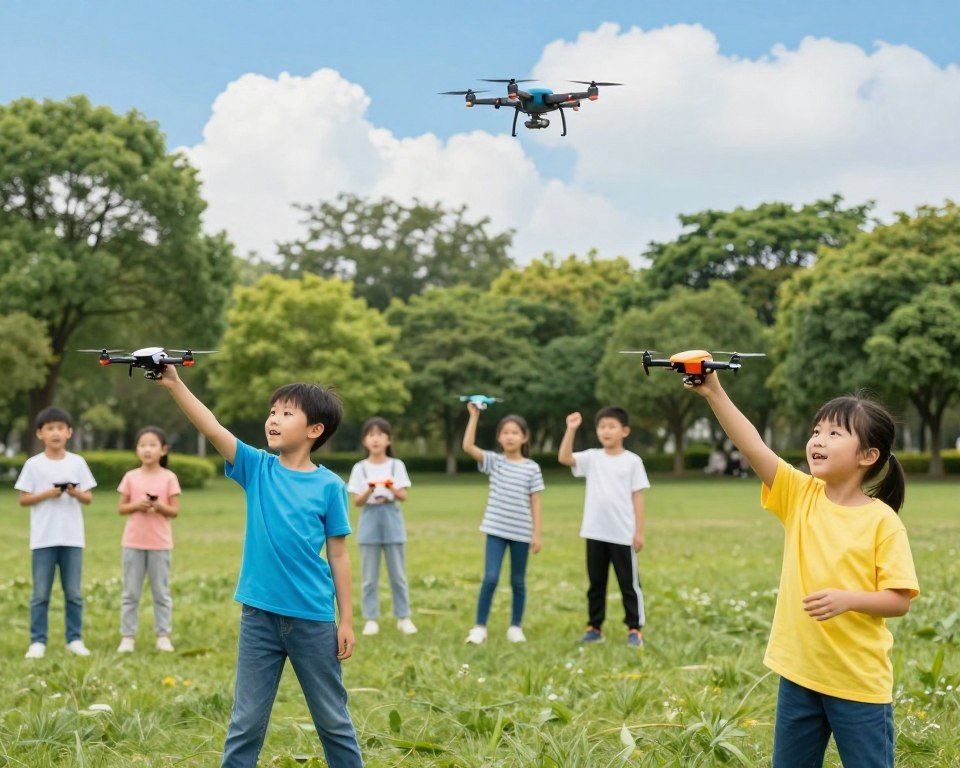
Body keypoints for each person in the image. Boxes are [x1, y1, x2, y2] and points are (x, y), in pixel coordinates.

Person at [685, 371, 919, 768]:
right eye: (816, 431)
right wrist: (714, 391)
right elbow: (752, 444)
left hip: (857, 682)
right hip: (798, 673)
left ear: (868, 456)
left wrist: (849, 600)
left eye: (834, 434)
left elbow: (898, 601)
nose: (817, 441)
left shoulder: (882, 522)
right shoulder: (800, 495)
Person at [155, 365, 363, 768]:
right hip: (259, 618)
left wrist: (348, 619)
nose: (273, 419)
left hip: (313, 621)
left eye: (286, 413)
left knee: (332, 720)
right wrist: (175, 384)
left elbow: (339, 554)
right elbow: (213, 429)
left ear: (314, 430)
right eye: (272, 411)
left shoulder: (330, 487)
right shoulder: (258, 469)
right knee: (246, 722)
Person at [558, 406, 649, 647]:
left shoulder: (632, 462)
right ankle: (594, 627)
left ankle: (634, 629)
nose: (606, 431)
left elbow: (638, 496)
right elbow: (565, 458)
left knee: (628, 584)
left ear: (625, 431)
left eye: (612, 426)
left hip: (622, 533)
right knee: (596, 584)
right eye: (602, 427)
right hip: (595, 531)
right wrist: (571, 429)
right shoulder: (592, 457)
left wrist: (638, 532)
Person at [16, 406, 97, 659]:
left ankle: (74, 639)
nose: (55, 433)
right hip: (43, 538)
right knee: (40, 594)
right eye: (50, 428)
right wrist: (47, 494)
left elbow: (88, 498)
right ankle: (37, 641)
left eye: (60, 428)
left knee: (73, 593)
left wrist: (73, 492)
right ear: (40, 433)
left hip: (72, 538)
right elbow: (24, 499)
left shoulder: (77, 462)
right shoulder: (33, 465)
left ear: (69, 432)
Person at [462, 402, 544, 644]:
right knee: (490, 578)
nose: (510, 437)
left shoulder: (532, 468)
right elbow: (467, 446)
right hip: (495, 530)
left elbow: (536, 502)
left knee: (518, 581)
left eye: (515, 432)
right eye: (505, 432)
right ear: (499, 438)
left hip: (521, 532)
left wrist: (536, 535)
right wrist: (474, 416)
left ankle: (515, 627)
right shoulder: (494, 462)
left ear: (524, 437)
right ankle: (479, 627)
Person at [346, 417, 416, 637]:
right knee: (369, 577)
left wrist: (389, 487)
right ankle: (371, 618)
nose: (375, 439)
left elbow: (403, 495)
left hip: (392, 518)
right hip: (369, 519)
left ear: (388, 439)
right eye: (371, 435)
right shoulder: (360, 468)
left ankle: (403, 617)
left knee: (398, 575)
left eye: (380, 435)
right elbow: (357, 501)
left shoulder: (397, 465)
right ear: (365, 441)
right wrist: (369, 489)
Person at [116, 426, 181, 653]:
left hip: (160, 544)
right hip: (133, 542)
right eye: (143, 445)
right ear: (136, 450)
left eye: (152, 445)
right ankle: (128, 636)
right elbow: (121, 507)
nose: (147, 449)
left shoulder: (169, 478)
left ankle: (163, 635)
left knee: (160, 593)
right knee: (130, 593)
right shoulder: (131, 477)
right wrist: (137, 505)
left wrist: (159, 506)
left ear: (163, 450)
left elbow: (174, 511)